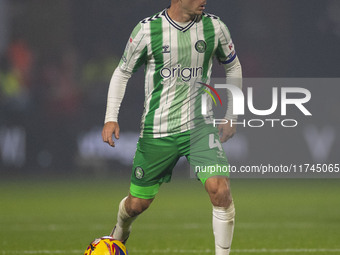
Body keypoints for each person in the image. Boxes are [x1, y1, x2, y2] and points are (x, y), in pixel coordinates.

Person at [102, 1, 242, 254]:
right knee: (137, 205)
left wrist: (232, 114)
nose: (204, 0)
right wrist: (111, 117)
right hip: (158, 132)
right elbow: (123, 72)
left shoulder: (215, 27)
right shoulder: (147, 30)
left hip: (199, 128)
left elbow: (233, 65)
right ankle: (118, 234)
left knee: (220, 191)